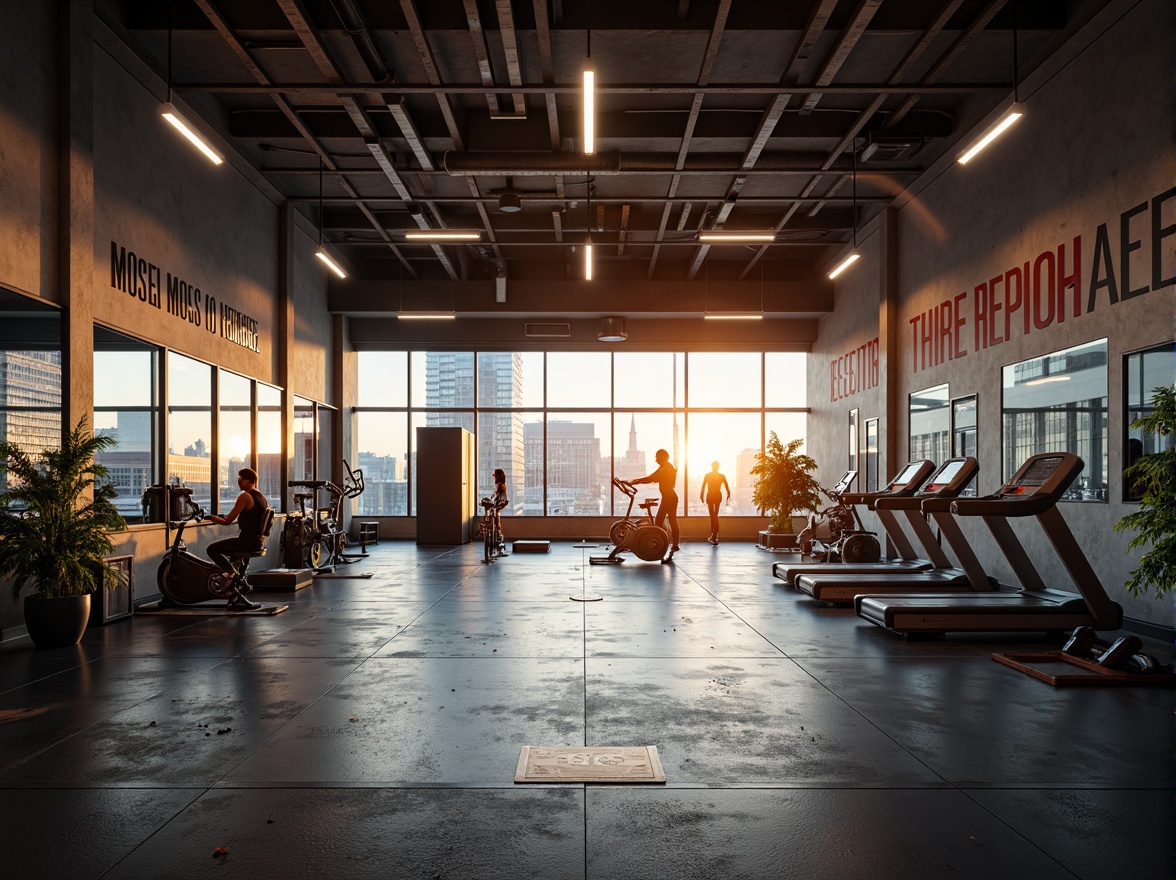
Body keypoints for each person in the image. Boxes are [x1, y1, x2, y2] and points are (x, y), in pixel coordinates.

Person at [206, 467, 268, 591]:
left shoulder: (245, 496)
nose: (239, 482)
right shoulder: (260, 496)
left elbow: (228, 521)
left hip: (247, 542)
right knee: (232, 556)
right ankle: (237, 579)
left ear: (250, 481)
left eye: (241, 479)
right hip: (258, 541)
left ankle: (231, 573)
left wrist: (211, 517)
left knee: (212, 549)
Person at [633, 448, 680, 562]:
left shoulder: (665, 467)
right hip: (670, 496)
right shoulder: (667, 466)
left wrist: (637, 481)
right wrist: (638, 480)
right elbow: (654, 476)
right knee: (672, 521)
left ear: (662, 457)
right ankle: (674, 545)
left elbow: (652, 478)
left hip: (669, 496)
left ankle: (661, 545)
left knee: (659, 521)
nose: (656, 459)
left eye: (657, 457)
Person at [699, 460, 731, 545]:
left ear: (711, 466)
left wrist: (701, 496)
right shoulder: (721, 476)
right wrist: (728, 495)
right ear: (718, 467)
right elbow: (727, 487)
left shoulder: (707, 475)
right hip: (717, 495)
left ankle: (714, 536)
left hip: (710, 495)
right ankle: (714, 536)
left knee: (712, 516)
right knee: (715, 516)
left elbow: (703, 487)